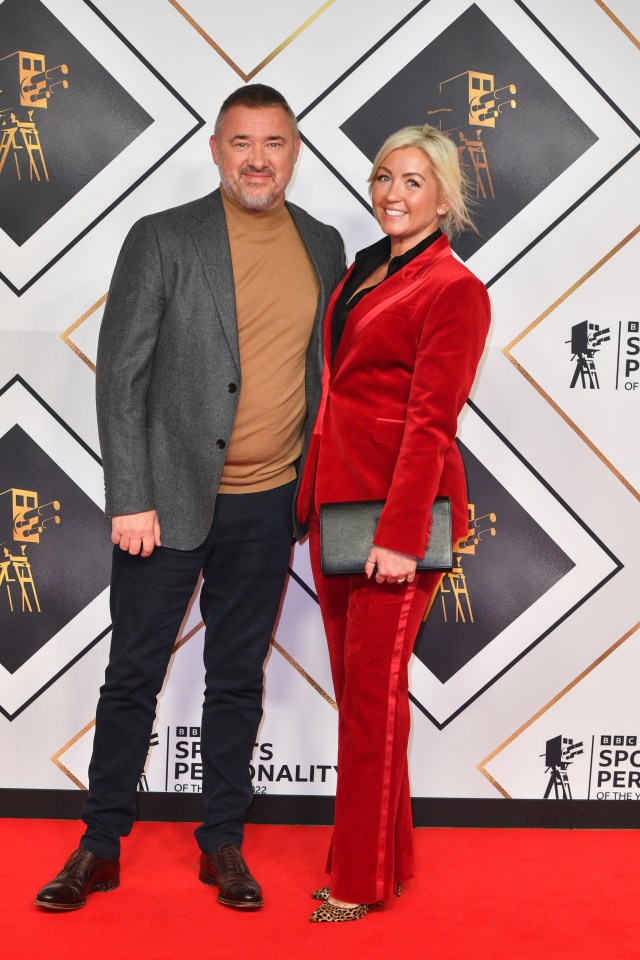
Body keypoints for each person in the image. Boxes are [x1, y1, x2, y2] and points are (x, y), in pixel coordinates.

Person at [35, 84, 345, 913]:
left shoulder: (324, 245)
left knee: (237, 678)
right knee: (132, 673)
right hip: (165, 502)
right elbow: (122, 375)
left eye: (273, 143)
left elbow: (326, 376)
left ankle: (222, 846)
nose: (256, 158)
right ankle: (99, 846)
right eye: (241, 141)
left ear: (295, 153)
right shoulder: (163, 237)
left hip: (270, 503)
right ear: (215, 150)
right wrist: (130, 496)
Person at [296, 124, 490, 922]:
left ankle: (358, 882)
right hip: (337, 506)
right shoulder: (363, 269)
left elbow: (430, 423)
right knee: (365, 701)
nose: (392, 194)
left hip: (396, 522)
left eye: (413, 182)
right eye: (383, 177)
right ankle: (388, 857)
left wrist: (401, 537)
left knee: (374, 702)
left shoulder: (454, 290)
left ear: (444, 198)